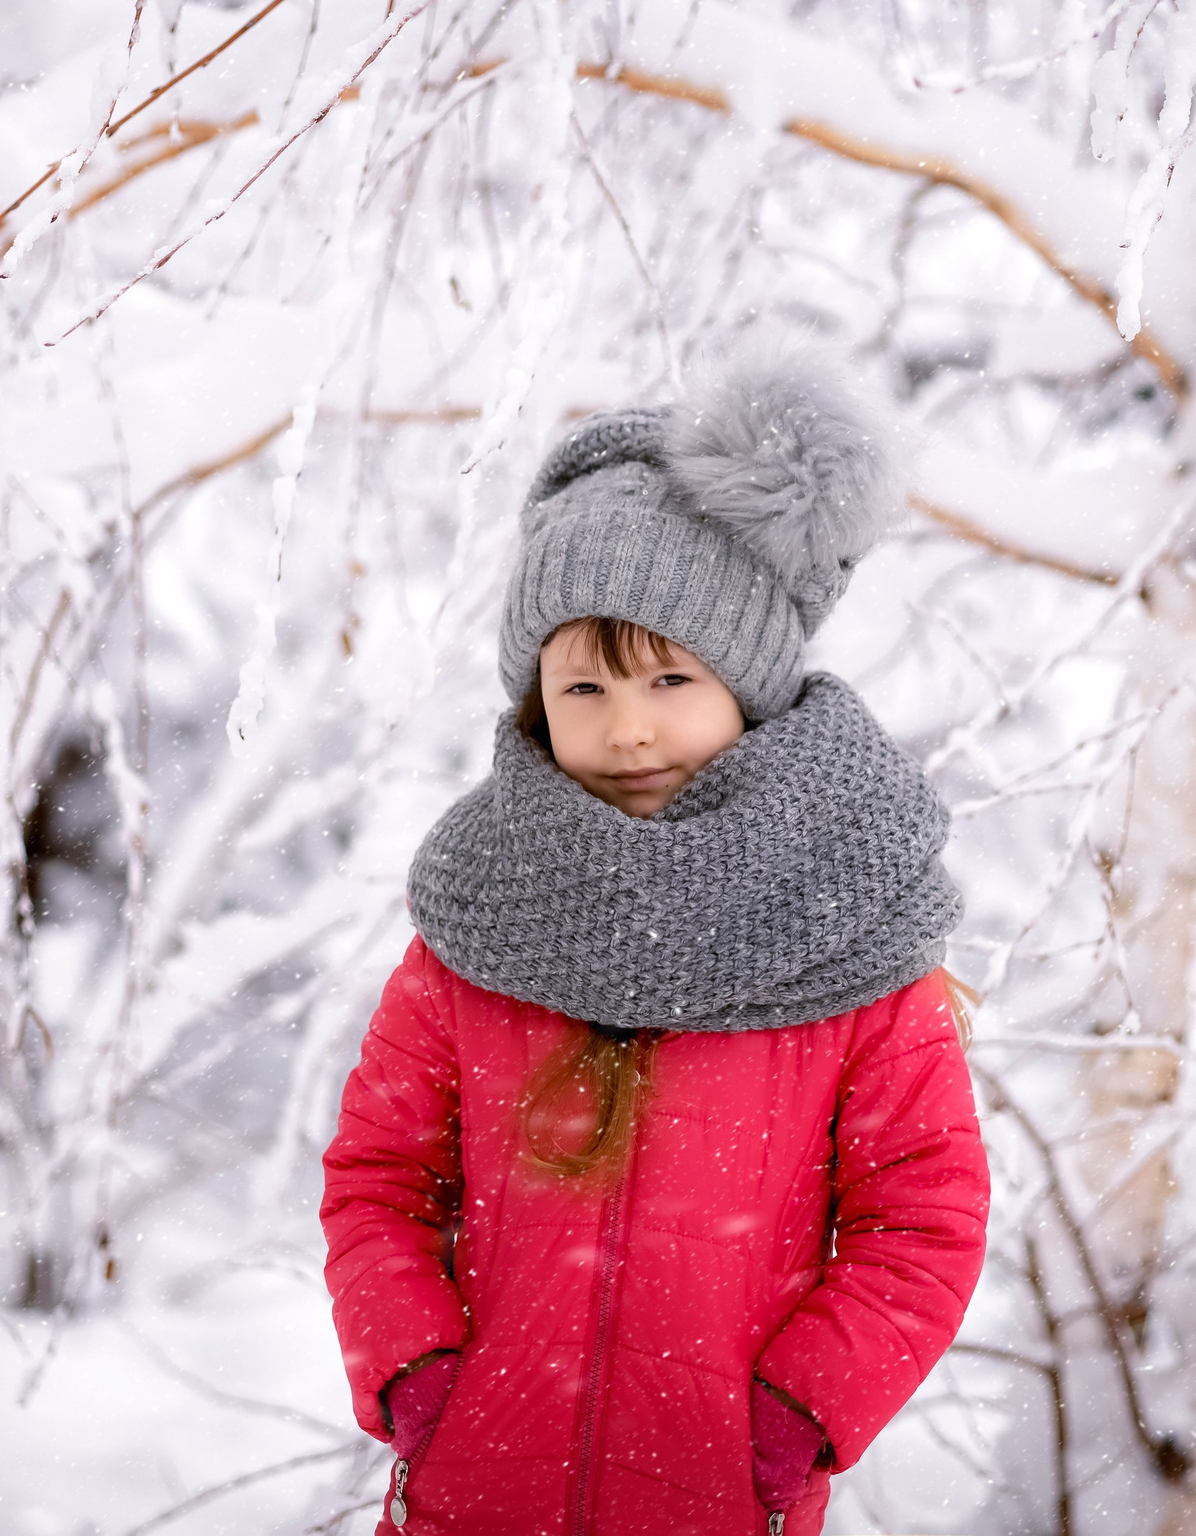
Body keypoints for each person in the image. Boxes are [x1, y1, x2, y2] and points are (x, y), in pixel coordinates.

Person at [319, 356, 990, 1536]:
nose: (626, 726)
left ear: (751, 686)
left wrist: (792, 1418)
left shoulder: (854, 935)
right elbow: (380, 1179)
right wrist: (419, 1378)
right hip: (476, 1493)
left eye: (670, 677)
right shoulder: (483, 923)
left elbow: (921, 1220)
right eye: (582, 688)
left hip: (718, 1500)